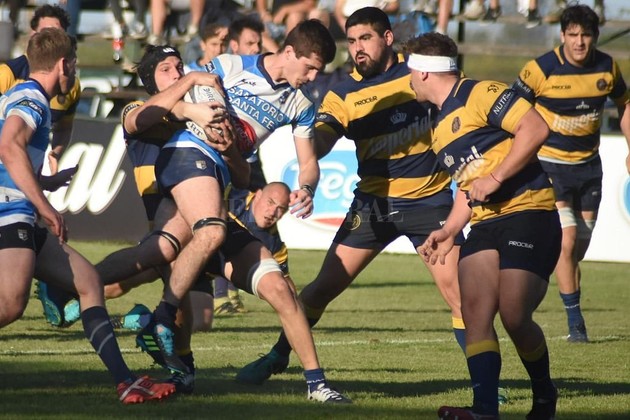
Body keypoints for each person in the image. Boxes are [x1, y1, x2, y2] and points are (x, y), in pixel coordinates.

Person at [106, 20, 347, 403]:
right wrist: (198, 105)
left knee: (277, 287)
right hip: (185, 166)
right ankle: (149, 317)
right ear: (289, 52)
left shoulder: (300, 104)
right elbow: (164, 108)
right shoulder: (225, 69)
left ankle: (317, 384)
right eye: (311, 67)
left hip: (215, 192)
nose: (314, 77)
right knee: (177, 251)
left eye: (320, 70)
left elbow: (285, 166)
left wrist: (307, 187)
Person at [236, 6, 466, 387]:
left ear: (388, 38)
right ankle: (278, 354)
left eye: (366, 38)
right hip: (373, 206)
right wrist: (304, 136)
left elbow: (460, 103)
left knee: (459, 293)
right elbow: (320, 141)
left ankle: (486, 386)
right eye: (352, 40)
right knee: (322, 288)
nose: (357, 48)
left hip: (428, 203)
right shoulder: (343, 92)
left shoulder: (420, 73)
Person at [0, 27, 175, 404]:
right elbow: (8, 146)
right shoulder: (33, 97)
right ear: (63, 64)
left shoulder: (20, 94)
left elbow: (10, 155)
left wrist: (44, 181)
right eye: (76, 64)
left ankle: (125, 382)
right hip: (9, 212)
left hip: (19, 210)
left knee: (89, 282)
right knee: (11, 305)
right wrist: (46, 206)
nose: (75, 72)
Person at [404, 31, 561, 420]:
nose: (409, 80)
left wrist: (497, 176)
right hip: (486, 224)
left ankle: (544, 394)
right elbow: (468, 187)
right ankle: (484, 411)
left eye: (409, 72)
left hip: (529, 212)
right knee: (474, 312)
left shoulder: (480, 92)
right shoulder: (439, 128)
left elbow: (535, 128)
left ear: (423, 72)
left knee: (514, 315)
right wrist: (449, 230)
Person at [513, 4, 630, 343]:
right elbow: (510, 110)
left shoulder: (607, 67)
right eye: (573, 35)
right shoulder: (540, 70)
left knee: (576, 249)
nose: (580, 42)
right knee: (566, 242)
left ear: (595, 36)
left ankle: (543, 276)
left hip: (589, 168)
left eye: (586, 35)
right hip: (549, 167)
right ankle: (576, 324)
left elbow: (625, 103)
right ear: (562, 35)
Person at [0, 4, 80, 178]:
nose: (50, 38)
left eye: (57, 33)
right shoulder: (8, 74)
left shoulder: (70, 85)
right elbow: (9, 145)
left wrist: (55, 154)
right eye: (45, 32)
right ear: (33, 35)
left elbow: (63, 128)